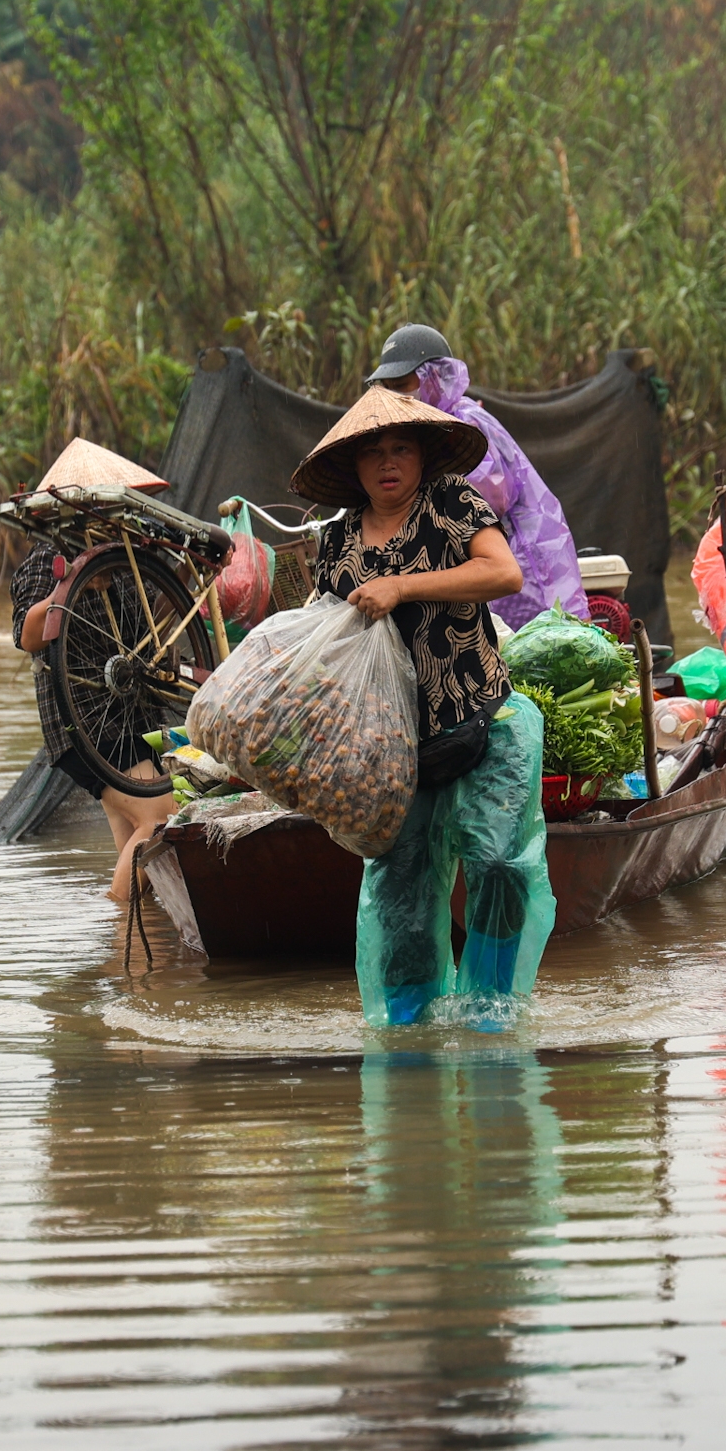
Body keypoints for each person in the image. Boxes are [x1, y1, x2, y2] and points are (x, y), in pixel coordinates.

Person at [291, 385, 558, 1027]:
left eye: (401, 449)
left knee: (496, 862)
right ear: (354, 467)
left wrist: (401, 587)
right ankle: (409, 1024)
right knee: (401, 893)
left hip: (482, 720)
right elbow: (325, 632)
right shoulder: (338, 542)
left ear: (421, 456)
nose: (388, 463)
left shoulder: (451, 504)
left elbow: (504, 575)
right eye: (374, 452)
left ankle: (492, 1010)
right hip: (392, 745)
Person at [9, 439, 180, 904]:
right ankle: (116, 929)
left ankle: (131, 960)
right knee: (160, 822)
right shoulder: (47, 560)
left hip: (130, 717)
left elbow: (145, 634)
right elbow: (28, 634)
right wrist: (72, 585)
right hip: (85, 721)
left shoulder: (121, 559)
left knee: (134, 835)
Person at [365, 323, 587, 633]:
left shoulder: (464, 424)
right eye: (388, 388)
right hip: (486, 562)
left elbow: (488, 502)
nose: (396, 396)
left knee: (534, 654)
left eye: (402, 385)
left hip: (520, 562)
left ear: (436, 377)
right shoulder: (425, 431)